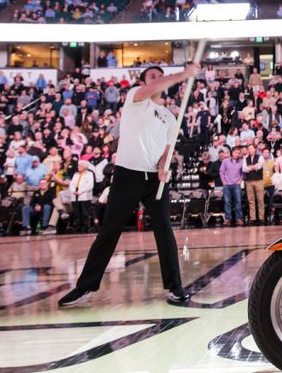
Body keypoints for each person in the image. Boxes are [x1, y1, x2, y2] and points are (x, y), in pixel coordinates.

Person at [58, 64, 201, 307]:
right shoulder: (136, 97)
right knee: (109, 231)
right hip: (126, 175)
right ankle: (84, 287)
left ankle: (175, 287)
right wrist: (184, 75)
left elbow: (167, 149)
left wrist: (163, 166)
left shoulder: (169, 116)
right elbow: (155, 86)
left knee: (164, 230)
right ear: (143, 82)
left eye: (160, 76)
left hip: (154, 180)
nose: (157, 79)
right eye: (152, 77)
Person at [219, 146, 244, 226]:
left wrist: (240, 180)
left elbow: (243, 172)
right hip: (227, 184)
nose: (237, 154)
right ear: (232, 153)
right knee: (227, 202)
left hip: (236, 184)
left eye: (238, 153)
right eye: (236, 152)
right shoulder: (225, 161)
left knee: (238, 202)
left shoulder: (241, 161)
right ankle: (228, 219)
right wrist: (223, 181)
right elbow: (221, 171)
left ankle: (239, 219)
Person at [242, 144, 266, 225]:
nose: (249, 150)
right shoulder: (245, 158)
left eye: (251, 149)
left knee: (260, 199)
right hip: (248, 181)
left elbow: (259, 166)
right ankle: (253, 217)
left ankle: (261, 217)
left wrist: (250, 167)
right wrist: (253, 167)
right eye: (248, 149)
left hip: (258, 180)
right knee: (251, 200)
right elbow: (244, 169)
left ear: (255, 149)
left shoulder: (260, 157)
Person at [69, 160, 95, 233]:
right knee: (77, 212)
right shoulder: (75, 174)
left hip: (84, 196)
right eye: (78, 165)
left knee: (84, 212)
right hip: (75, 195)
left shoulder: (89, 174)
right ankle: (77, 226)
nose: (78, 167)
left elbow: (90, 185)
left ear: (85, 166)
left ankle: (85, 226)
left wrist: (80, 191)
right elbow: (72, 184)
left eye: (80, 165)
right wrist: (73, 190)